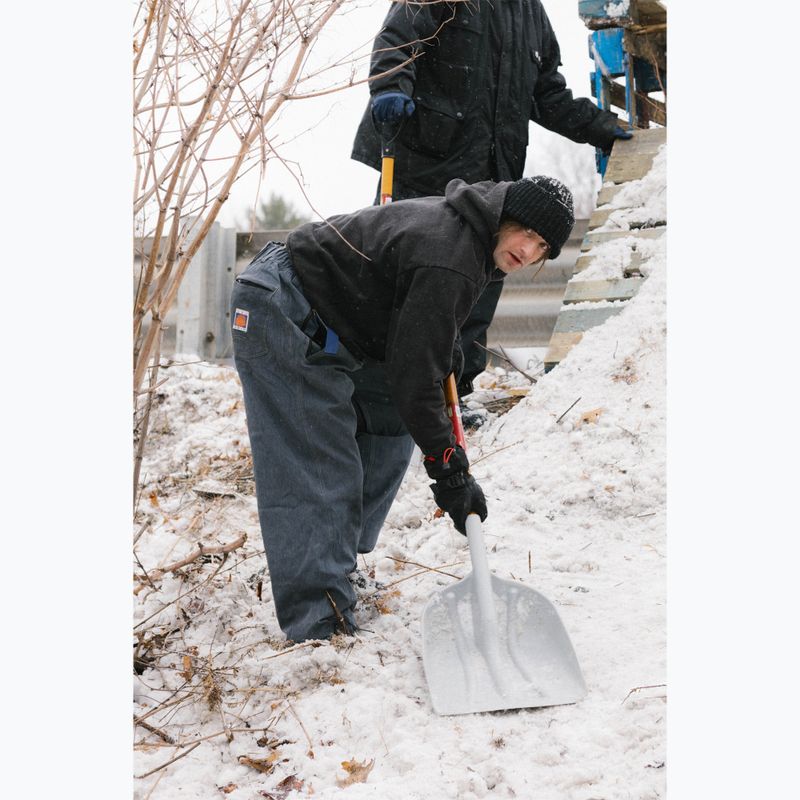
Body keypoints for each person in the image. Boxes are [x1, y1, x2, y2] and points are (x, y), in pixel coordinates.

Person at [231, 175, 576, 642]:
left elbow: (418, 337)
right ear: (504, 219)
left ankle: (333, 563)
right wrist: (448, 469)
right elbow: (414, 375)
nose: (529, 251)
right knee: (318, 458)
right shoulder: (452, 252)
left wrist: (444, 351)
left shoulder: (472, 242)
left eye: (542, 248)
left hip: (336, 319)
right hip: (281, 304)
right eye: (527, 234)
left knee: (390, 427)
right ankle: (320, 621)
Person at [347, 1, 633, 565]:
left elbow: (546, 94)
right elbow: (397, 39)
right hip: (426, 166)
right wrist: (389, 87)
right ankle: (379, 394)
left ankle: (457, 395)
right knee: (413, 288)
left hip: (492, 171)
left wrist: (601, 128)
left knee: (479, 292)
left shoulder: (531, 16)